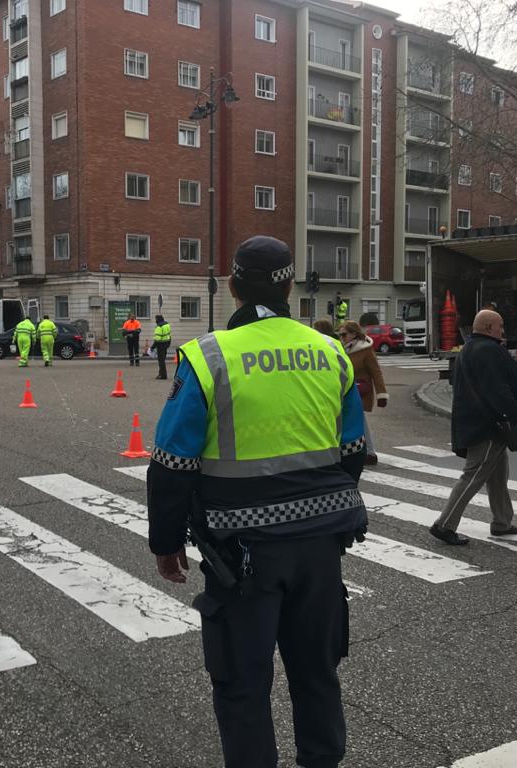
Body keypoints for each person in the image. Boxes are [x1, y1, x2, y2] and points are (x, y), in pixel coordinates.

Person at [147, 235, 368, 768]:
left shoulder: (208, 356)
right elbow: (355, 450)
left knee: (243, 683)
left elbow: (173, 464)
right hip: (319, 548)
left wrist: (166, 542)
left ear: (232, 286)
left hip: (241, 553)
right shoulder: (330, 350)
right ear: (291, 285)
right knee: (317, 673)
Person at [430, 310, 517, 545]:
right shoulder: (488, 350)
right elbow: (497, 389)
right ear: (488, 327)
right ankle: (444, 525)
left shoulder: (470, 348)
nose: (503, 330)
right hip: (488, 426)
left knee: (497, 476)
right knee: (473, 475)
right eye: (500, 325)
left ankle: (502, 522)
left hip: (481, 422)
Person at [338, 321, 388, 466]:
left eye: (344, 334)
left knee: (361, 421)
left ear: (354, 334)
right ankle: (358, 450)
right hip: (346, 391)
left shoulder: (365, 349)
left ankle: (370, 452)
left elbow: (376, 372)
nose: (342, 338)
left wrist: (381, 394)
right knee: (352, 421)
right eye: (340, 335)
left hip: (360, 390)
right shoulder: (342, 349)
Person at [152, 315, 171, 379]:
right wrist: (168, 344)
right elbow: (169, 335)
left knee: (161, 361)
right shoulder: (167, 324)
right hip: (166, 344)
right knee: (163, 360)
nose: (155, 320)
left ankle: (163, 375)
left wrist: (152, 347)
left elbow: (157, 339)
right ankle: (161, 374)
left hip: (160, 345)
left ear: (157, 319)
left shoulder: (159, 327)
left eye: (156, 319)